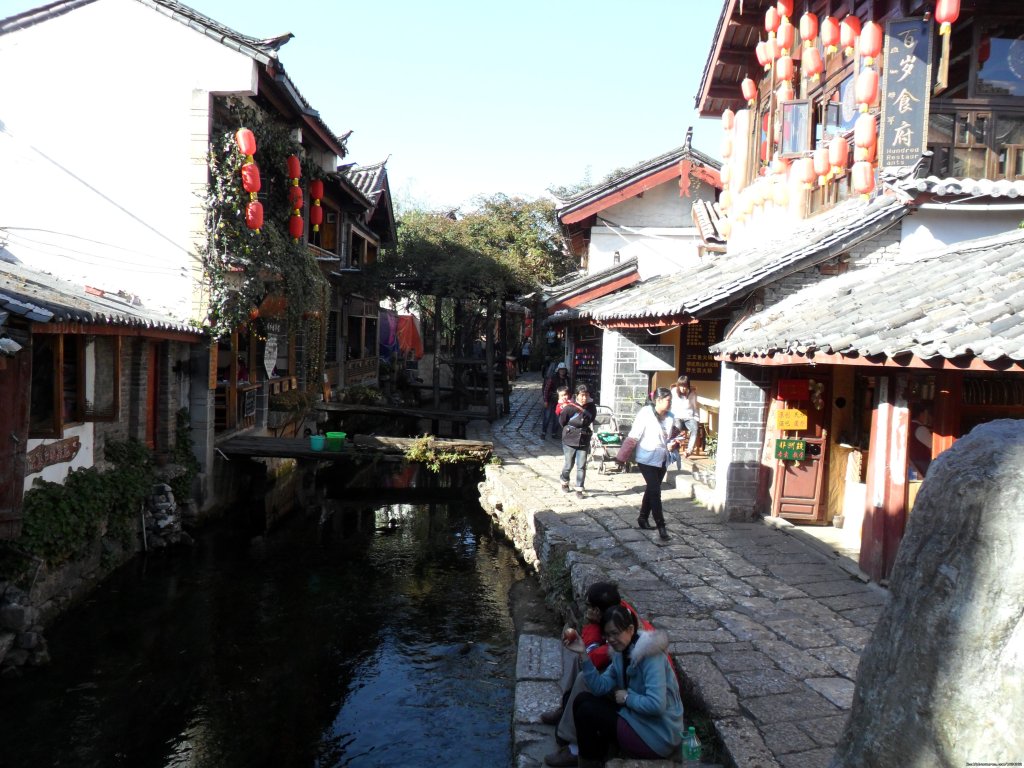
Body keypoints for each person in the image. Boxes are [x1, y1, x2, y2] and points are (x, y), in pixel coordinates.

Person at [543, 583, 653, 767]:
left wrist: (626, 697)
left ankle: (573, 744)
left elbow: (596, 657)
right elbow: (593, 652)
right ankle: (567, 707)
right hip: (628, 680)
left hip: (638, 699)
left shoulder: (630, 639)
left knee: (584, 678)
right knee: (581, 661)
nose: (587, 611)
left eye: (589, 607)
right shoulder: (618, 614)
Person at [564, 604, 684, 766]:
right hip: (637, 719)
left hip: (657, 735)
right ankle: (592, 761)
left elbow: (657, 705)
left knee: (588, 710)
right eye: (607, 635)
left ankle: (591, 762)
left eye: (615, 633)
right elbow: (600, 687)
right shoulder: (620, 653)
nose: (611, 640)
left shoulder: (650, 656)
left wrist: (627, 698)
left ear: (630, 629)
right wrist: (583, 654)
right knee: (582, 700)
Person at [628, 387, 681, 541]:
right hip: (646, 457)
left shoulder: (671, 417)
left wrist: (674, 444)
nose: (670, 403)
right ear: (658, 400)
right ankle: (661, 526)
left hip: (663, 458)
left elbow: (671, 437)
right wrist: (624, 454)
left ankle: (643, 518)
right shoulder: (646, 413)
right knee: (655, 491)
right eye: (668, 400)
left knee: (652, 489)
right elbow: (634, 434)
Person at [559, 384, 597, 498]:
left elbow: (591, 418)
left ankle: (579, 488)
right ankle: (564, 480)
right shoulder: (569, 408)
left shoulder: (591, 407)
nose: (584, 398)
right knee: (568, 464)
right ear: (577, 395)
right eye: (582, 395)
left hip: (584, 439)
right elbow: (562, 422)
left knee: (581, 465)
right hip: (570, 439)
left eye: (586, 395)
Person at [670, 375, 700, 459]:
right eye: (681, 385)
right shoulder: (673, 391)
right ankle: (674, 448)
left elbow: (695, 407)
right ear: (678, 385)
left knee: (695, 429)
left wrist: (697, 419)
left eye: (685, 386)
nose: (683, 388)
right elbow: (670, 405)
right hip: (677, 416)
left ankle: (689, 450)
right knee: (677, 427)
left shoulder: (692, 393)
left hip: (689, 417)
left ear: (688, 385)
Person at [542, 362, 570, 438]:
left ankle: (554, 433)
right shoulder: (552, 378)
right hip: (551, 400)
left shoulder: (567, 379)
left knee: (557, 417)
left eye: (563, 369)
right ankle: (544, 432)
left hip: (561, 402)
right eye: (561, 369)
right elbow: (546, 389)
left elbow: (569, 390)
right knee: (547, 416)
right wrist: (545, 400)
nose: (562, 371)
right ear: (558, 370)